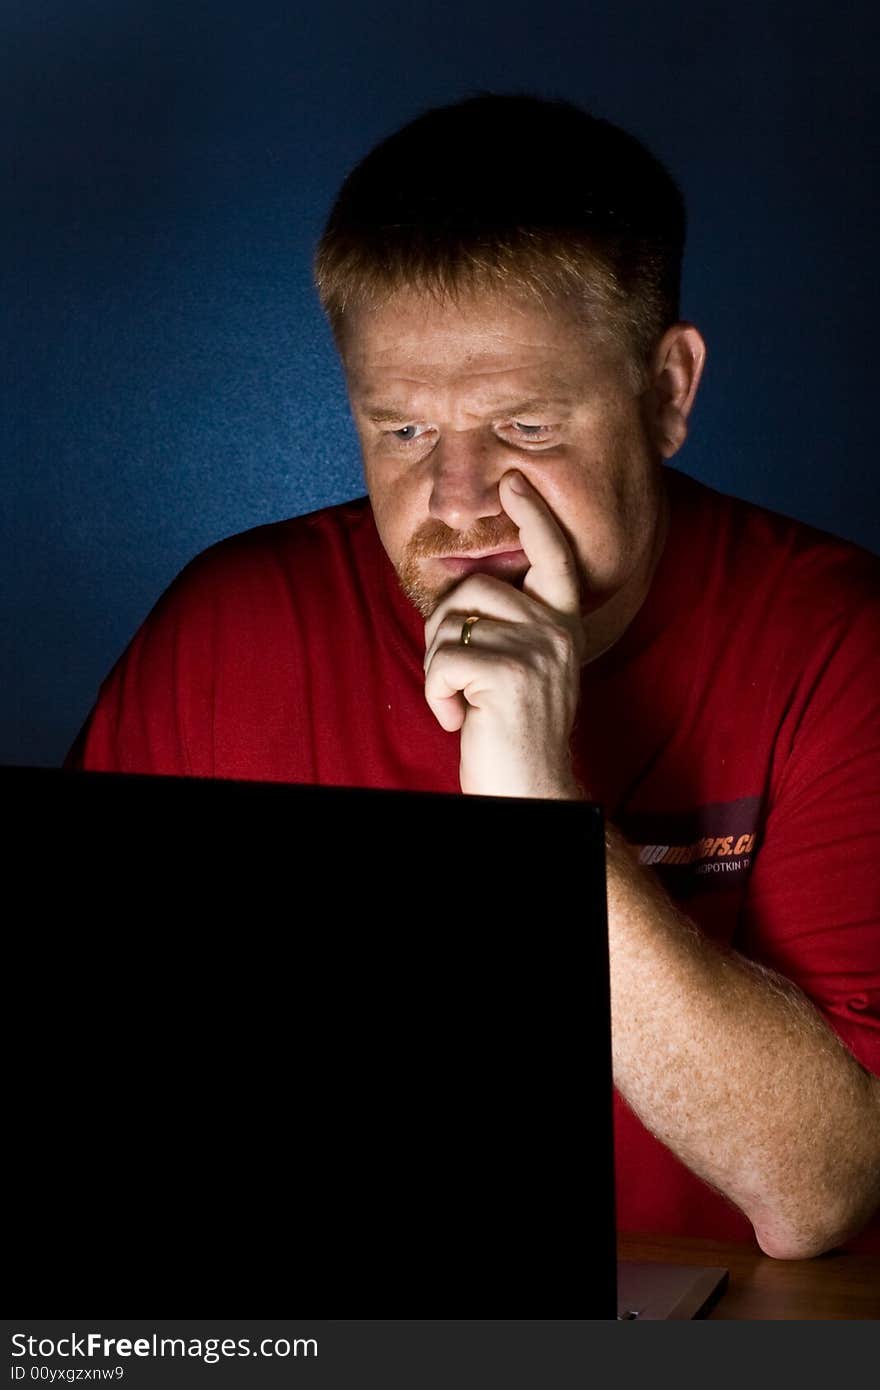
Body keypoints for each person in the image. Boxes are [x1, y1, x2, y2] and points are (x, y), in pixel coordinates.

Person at [67, 93, 880, 1256]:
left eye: (527, 430)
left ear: (667, 393)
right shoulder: (226, 631)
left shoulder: (839, 642)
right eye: (401, 432)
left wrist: (537, 805)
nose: (456, 503)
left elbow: (818, 1192)